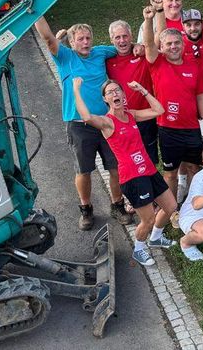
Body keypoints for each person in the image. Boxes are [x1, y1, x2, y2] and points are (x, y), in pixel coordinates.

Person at [34, 17, 132, 230]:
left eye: (88, 38)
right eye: (80, 39)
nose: (85, 42)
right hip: (79, 125)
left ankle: (117, 205)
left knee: (115, 167)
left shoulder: (101, 52)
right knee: (84, 170)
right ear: (71, 42)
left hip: (106, 123)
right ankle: (86, 209)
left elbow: (123, 47)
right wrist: (36, 14)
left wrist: (139, 47)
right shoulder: (65, 57)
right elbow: (47, 38)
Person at [72, 78, 177, 266]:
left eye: (117, 90)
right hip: (133, 177)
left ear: (123, 94)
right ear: (105, 99)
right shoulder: (107, 122)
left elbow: (159, 110)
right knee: (148, 219)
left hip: (149, 171)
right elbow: (87, 117)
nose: (115, 94)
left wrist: (142, 89)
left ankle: (156, 238)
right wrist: (76, 89)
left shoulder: (132, 114)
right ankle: (139, 249)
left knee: (170, 206)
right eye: (110, 92)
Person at [140, 9, 203, 202]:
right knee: (170, 173)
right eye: (168, 44)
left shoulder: (192, 65)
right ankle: (171, 208)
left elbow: (201, 96)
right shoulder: (157, 62)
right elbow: (148, 45)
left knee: (195, 168)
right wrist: (148, 19)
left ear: (183, 44)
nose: (173, 47)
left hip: (193, 128)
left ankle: (197, 204)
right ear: (161, 47)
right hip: (168, 129)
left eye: (177, 42)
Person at [104, 19, 158, 172]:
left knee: (149, 159)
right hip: (120, 120)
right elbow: (85, 57)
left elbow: (156, 42)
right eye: (117, 37)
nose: (122, 41)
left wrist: (141, 45)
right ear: (111, 40)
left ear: (131, 36)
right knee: (126, 161)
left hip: (145, 117)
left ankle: (152, 191)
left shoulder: (143, 55)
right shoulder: (107, 60)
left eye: (125, 36)